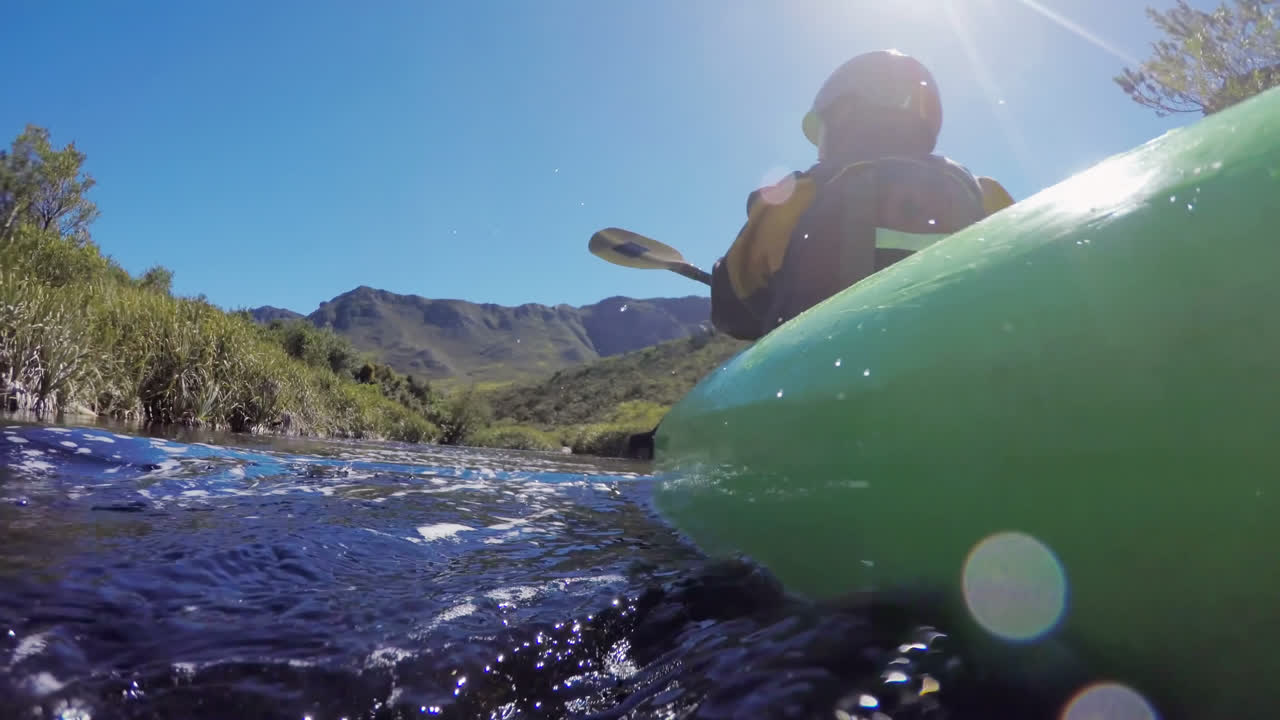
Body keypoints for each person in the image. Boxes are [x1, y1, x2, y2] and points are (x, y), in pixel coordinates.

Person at [709, 49, 1015, 341]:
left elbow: (732, 310)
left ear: (844, 114)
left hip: (833, 384)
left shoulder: (799, 195)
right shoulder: (986, 193)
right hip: (969, 376)